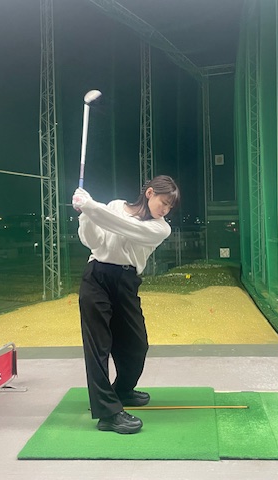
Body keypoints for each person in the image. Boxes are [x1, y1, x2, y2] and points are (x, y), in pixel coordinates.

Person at [72, 175, 180, 434]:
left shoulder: (160, 228)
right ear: (150, 193)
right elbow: (93, 242)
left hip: (126, 281)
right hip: (96, 277)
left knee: (136, 345)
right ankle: (107, 413)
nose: (165, 210)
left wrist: (90, 206)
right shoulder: (115, 206)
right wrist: (84, 215)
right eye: (164, 202)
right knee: (98, 346)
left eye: (170, 206)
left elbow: (123, 227)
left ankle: (122, 390)